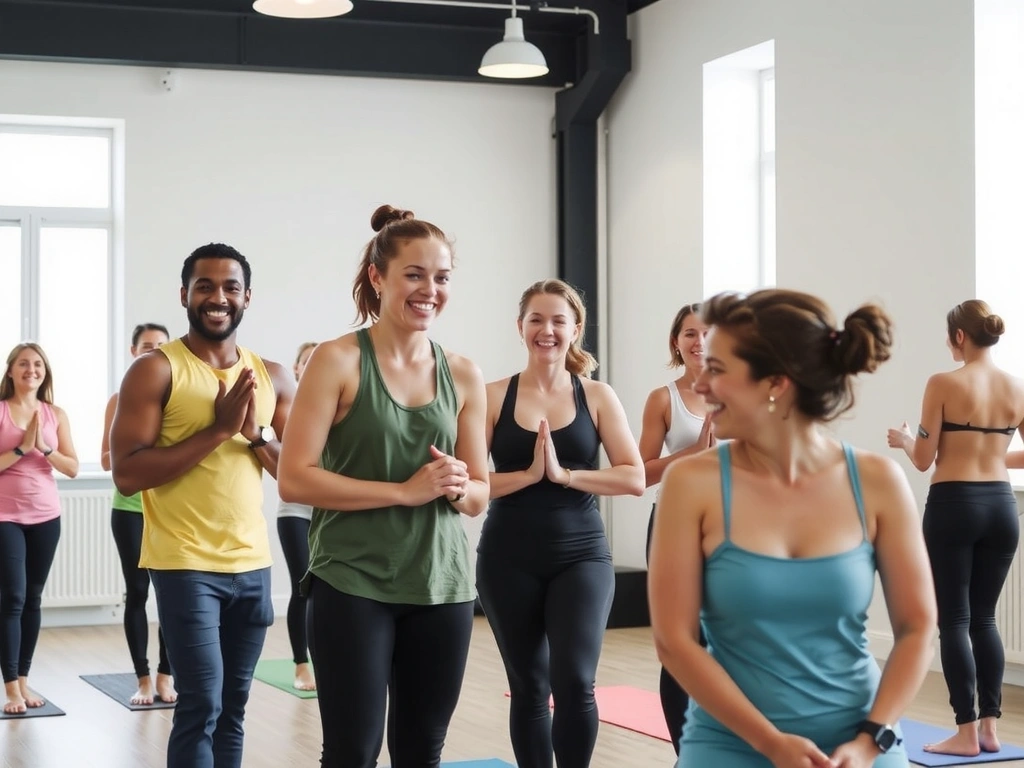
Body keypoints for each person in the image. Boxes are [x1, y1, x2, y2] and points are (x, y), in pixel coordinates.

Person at [650, 289, 937, 768]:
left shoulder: (878, 481)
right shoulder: (690, 483)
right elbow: (674, 641)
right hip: (732, 743)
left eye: (717, 370)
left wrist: (871, 741)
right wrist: (771, 743)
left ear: (775, 383)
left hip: (861, 738)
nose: (700, 386)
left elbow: (918, 626)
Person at [277, 205, 489, 768]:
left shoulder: (463, 372)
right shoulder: (338, 360)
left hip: (441, 585)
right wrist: (403, 491)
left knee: (422, 752)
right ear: (378, 277)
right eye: (414, 275)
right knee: (352, 751)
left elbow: (478, 496)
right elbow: (294, 478)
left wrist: (457, 483)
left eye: (441, 278)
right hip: (353, 581)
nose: (429, 290)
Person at [110, 243, 293, 768]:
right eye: (205, 286)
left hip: (252, 565)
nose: (218, 297)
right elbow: (128, 471)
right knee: (202, 703)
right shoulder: (156, 370)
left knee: (234, 708)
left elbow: (298, 475)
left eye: (230, 287)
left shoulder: (274, 376)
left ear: (247, 297)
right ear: (184, 295)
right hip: (185, 563)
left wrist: (254, 434)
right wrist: (216, 430)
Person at [477, 278, 645, 768]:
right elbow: (470, 481)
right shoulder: (491, 396)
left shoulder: (596, 395)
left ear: (575, 330)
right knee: (528, 685)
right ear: (520, 327)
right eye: (536, 319)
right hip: (508, 556)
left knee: (575, 680)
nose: (546, 330)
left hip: (581, 556)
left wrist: (565, 475)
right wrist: (528, 475)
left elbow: (633, 477)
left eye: (558, 320)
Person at [888, 299, 1024, 757]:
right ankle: (989, 729)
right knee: (984, 619)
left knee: (955, 621)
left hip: (954, 506)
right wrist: (986, 455)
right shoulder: (1016, 387)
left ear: (960, 337)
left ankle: (965, 734)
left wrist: (906, 439)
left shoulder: (942, 383)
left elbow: (925, 460)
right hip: (1002, 509)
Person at [637, 302, 713, 754]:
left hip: (736, 529)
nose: (699, 342)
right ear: (676, 342)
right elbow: (641, 472)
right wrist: (690, 456)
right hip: (673, 528)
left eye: (707, 333)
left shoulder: (745, 394)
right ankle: (687, 755)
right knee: (681, 645)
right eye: (689, 333)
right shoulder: (663, 398)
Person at [0, 343, 79, 715]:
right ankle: (11, 688)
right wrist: (21, 449)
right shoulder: (0, 412)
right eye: (23, 364)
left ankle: (25, 680)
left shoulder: (55, 414)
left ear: (44, 371)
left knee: (32, 598)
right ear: (11, 371)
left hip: (46, 516)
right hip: (5, 517)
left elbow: (73, 468)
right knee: (12, 598)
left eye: (37, 364)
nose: (31, 370)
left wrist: (44, 448)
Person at [100, 322, 176, 706]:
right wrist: (138, 452)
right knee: (138, 593)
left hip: (170, 510)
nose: (152, 351)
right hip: (129, 510)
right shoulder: (120, 400)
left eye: (160, 346)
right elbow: (104, 459)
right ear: (133, 351)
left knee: (171, 597)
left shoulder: (177, 397)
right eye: (146, 346)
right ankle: (143, 679)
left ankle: (166, 676)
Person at [276, 341, 317, 692]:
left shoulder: (340, 403)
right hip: (295, 512)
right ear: (297, 367)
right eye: (308, 360)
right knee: (302, 587)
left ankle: (326, 659)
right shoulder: (288, 409)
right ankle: (301, 664)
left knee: (328, 592)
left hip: (330, 511)